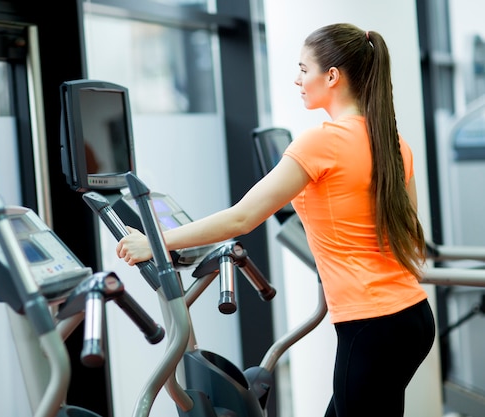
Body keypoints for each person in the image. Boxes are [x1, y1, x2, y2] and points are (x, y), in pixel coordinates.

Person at [116, 23, 436, 417]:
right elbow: (410, 235)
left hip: (369, 324)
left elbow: (243, 217)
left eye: (304, 69)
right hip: (413, 318)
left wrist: (153, 242)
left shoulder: (321, 142)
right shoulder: (394, 143)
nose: (297, 79)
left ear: (332, 76)